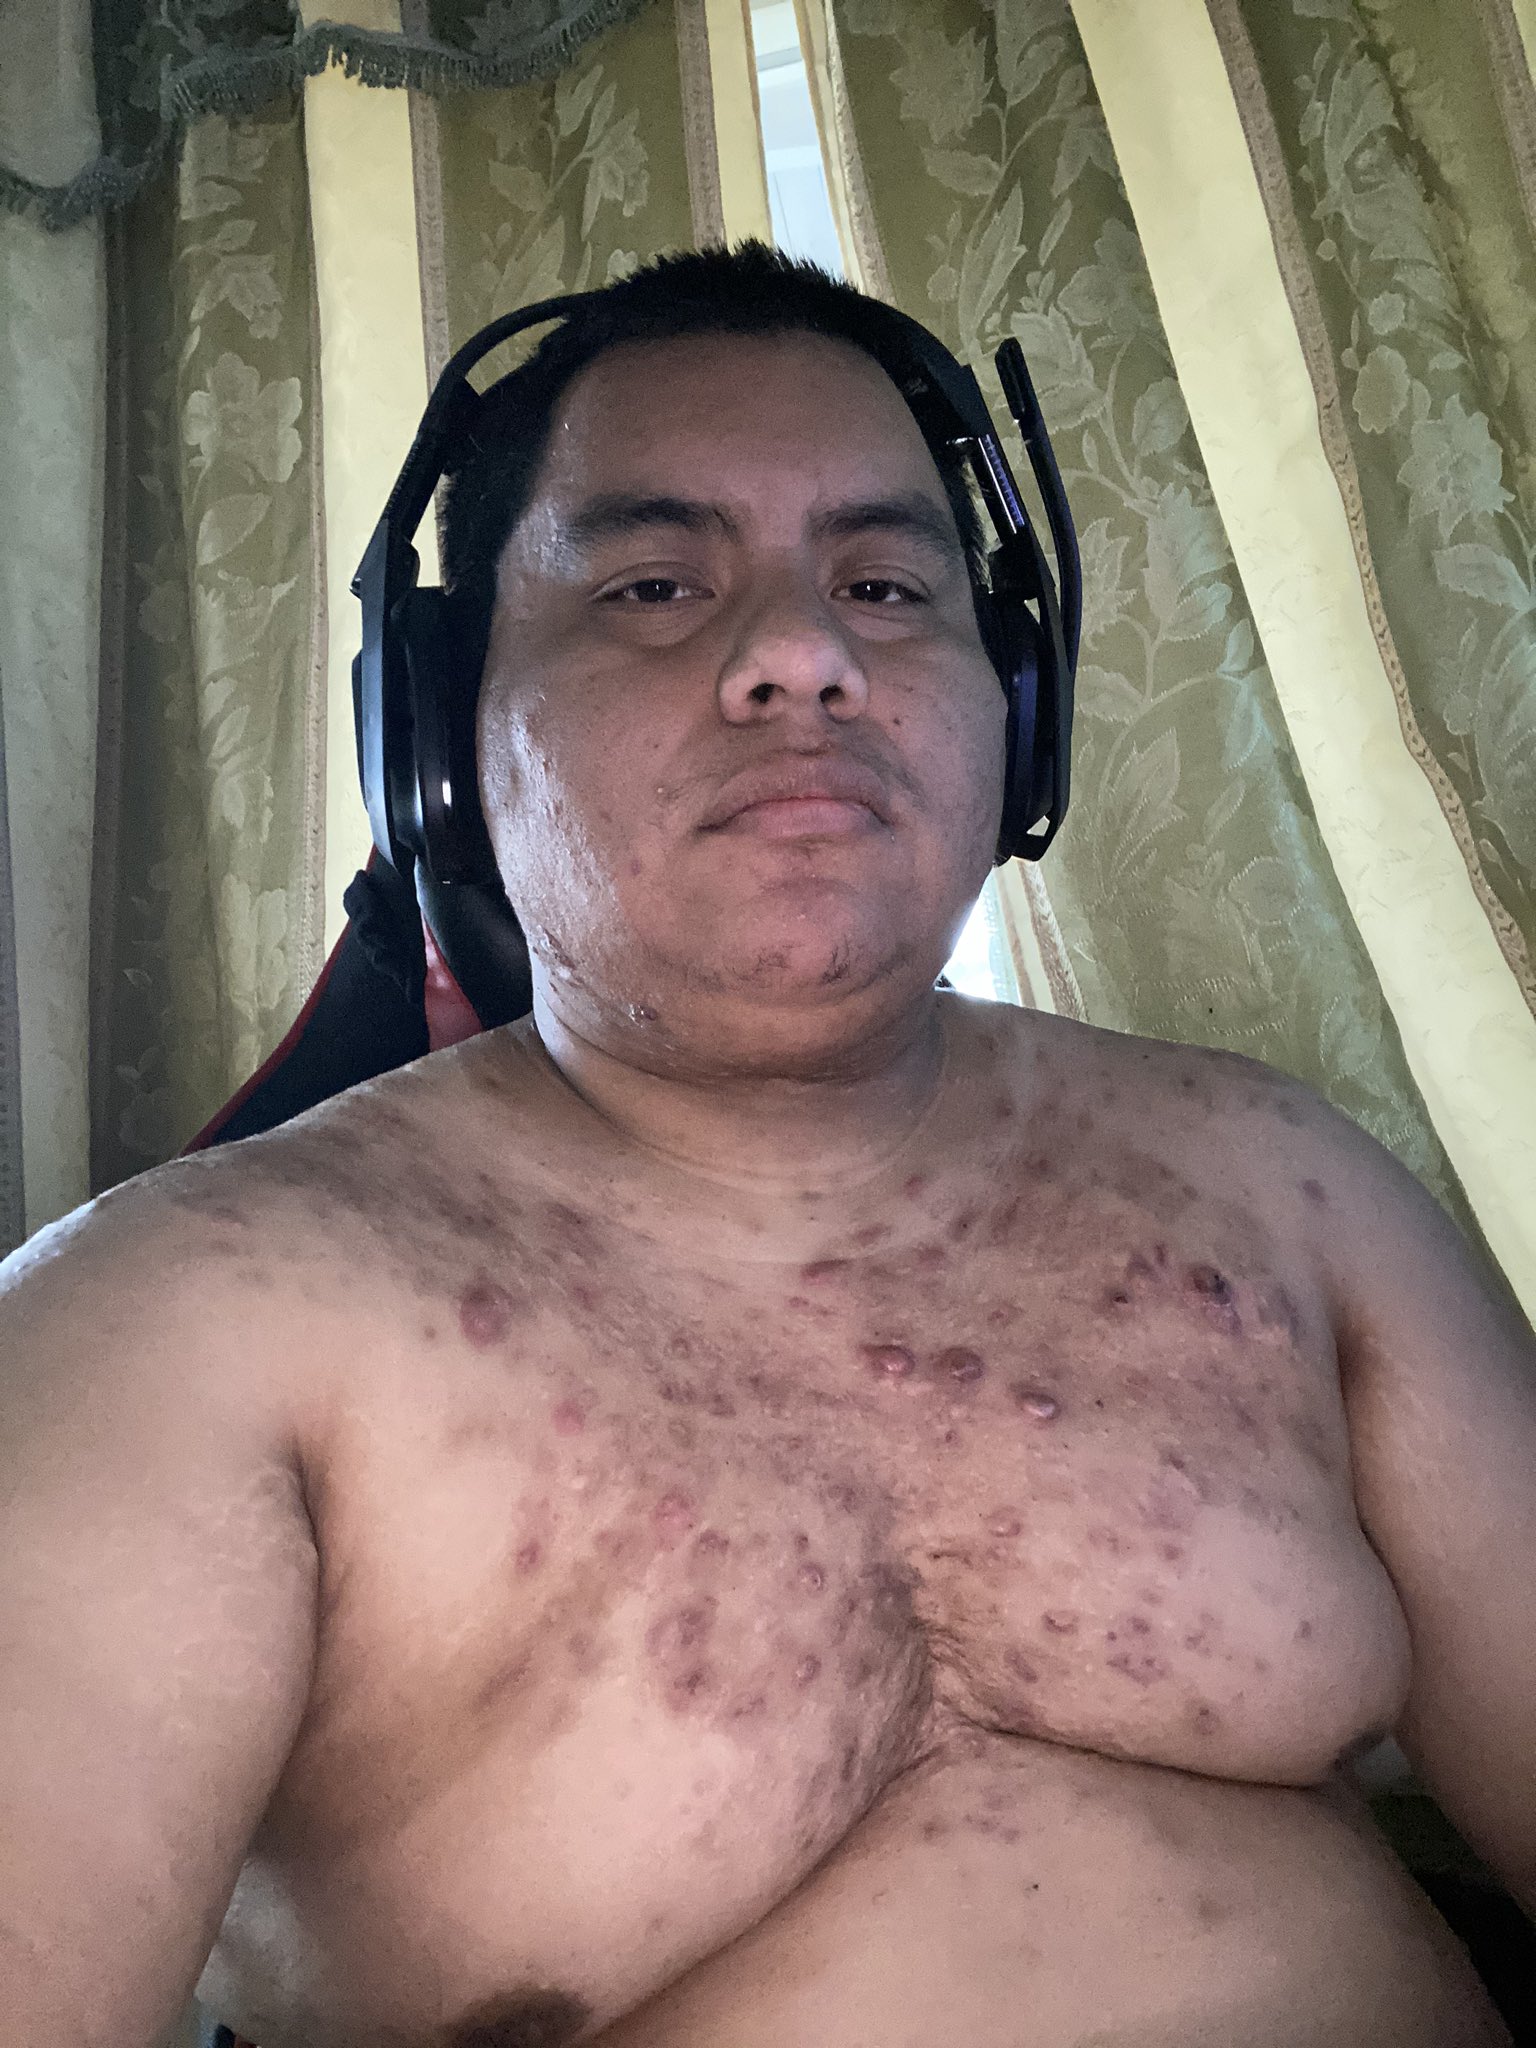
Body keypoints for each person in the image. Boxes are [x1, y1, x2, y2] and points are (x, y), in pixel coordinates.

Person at [2, 243, 1533, 2048]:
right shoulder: (165, 1330)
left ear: (1016, 701)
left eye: (886, 586)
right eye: (654, 587)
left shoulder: (1283, 1187)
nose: (804, 655)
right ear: (440, 735)